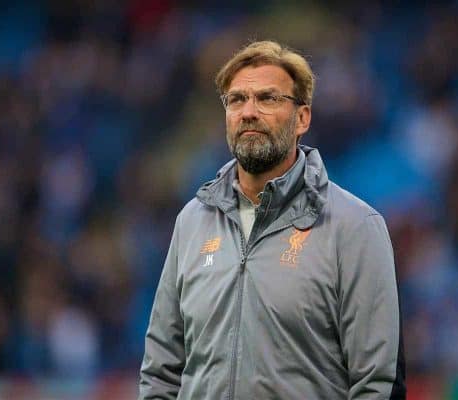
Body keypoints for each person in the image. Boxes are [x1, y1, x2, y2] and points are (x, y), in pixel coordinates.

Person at [139, 40, 405, 400]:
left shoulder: (355, 226)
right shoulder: (193, 221)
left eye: (268, 99)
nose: (248, 112)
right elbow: (159, 372)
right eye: (236, 100)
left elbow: (379, 383)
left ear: (302, 118)